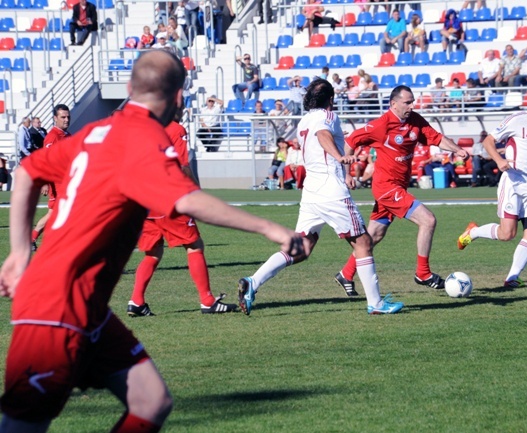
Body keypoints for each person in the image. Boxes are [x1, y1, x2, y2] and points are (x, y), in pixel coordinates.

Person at [0, 50, 304, 433]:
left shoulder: (98, 130)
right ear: (179, 97)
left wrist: (19, 253)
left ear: (129, 89)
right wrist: (271, 229)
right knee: (22, 426)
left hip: (88, 307)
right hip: (56, 303)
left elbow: (26, 171)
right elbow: (187, 199)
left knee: (151, 401)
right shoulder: (145, 138)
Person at [238, 78, 403, 315]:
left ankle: (253, 281)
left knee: (302, 248)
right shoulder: (328, 116)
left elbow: (319, 136)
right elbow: (323, 135)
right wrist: (339, 155)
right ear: (331, 99)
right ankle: (376, 304)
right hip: (331, 190)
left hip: (311, 192)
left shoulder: (304, 120)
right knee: (363, 243)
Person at [335, 85, 468, 295]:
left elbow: (436, 138)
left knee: (374, 235)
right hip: (386, 188)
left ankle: (345, 273)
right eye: (407, 102)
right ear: (393, 104)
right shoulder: (381, 125)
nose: (411, 105)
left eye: (412, 101)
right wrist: (347, 173)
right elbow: (350, 142)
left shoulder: (415, 120)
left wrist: (457, 149)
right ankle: (423, 273)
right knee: (428, 220)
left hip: (398, 186)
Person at [457, 82, 527, 287]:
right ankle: (472, 232)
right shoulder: (517, 120)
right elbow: (488, 141)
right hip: (513, 182)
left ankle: (511, 277)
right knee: (507, 234)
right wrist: (499, 161)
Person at [127, 114, 237, 317]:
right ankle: (207, 301)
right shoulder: (175, 129)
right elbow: (182, 166)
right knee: (195, 246)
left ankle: (136, 302)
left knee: (153, 252)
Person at [31, 104, 71, 251]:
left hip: (66, 182)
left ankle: (33, 238)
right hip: (57, 183)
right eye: (63, 117)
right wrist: (45, 183)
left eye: (68, 117)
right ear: (55, 118)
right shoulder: (52, 137)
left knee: (53, 213)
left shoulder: (67, 135)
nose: (66, 120)